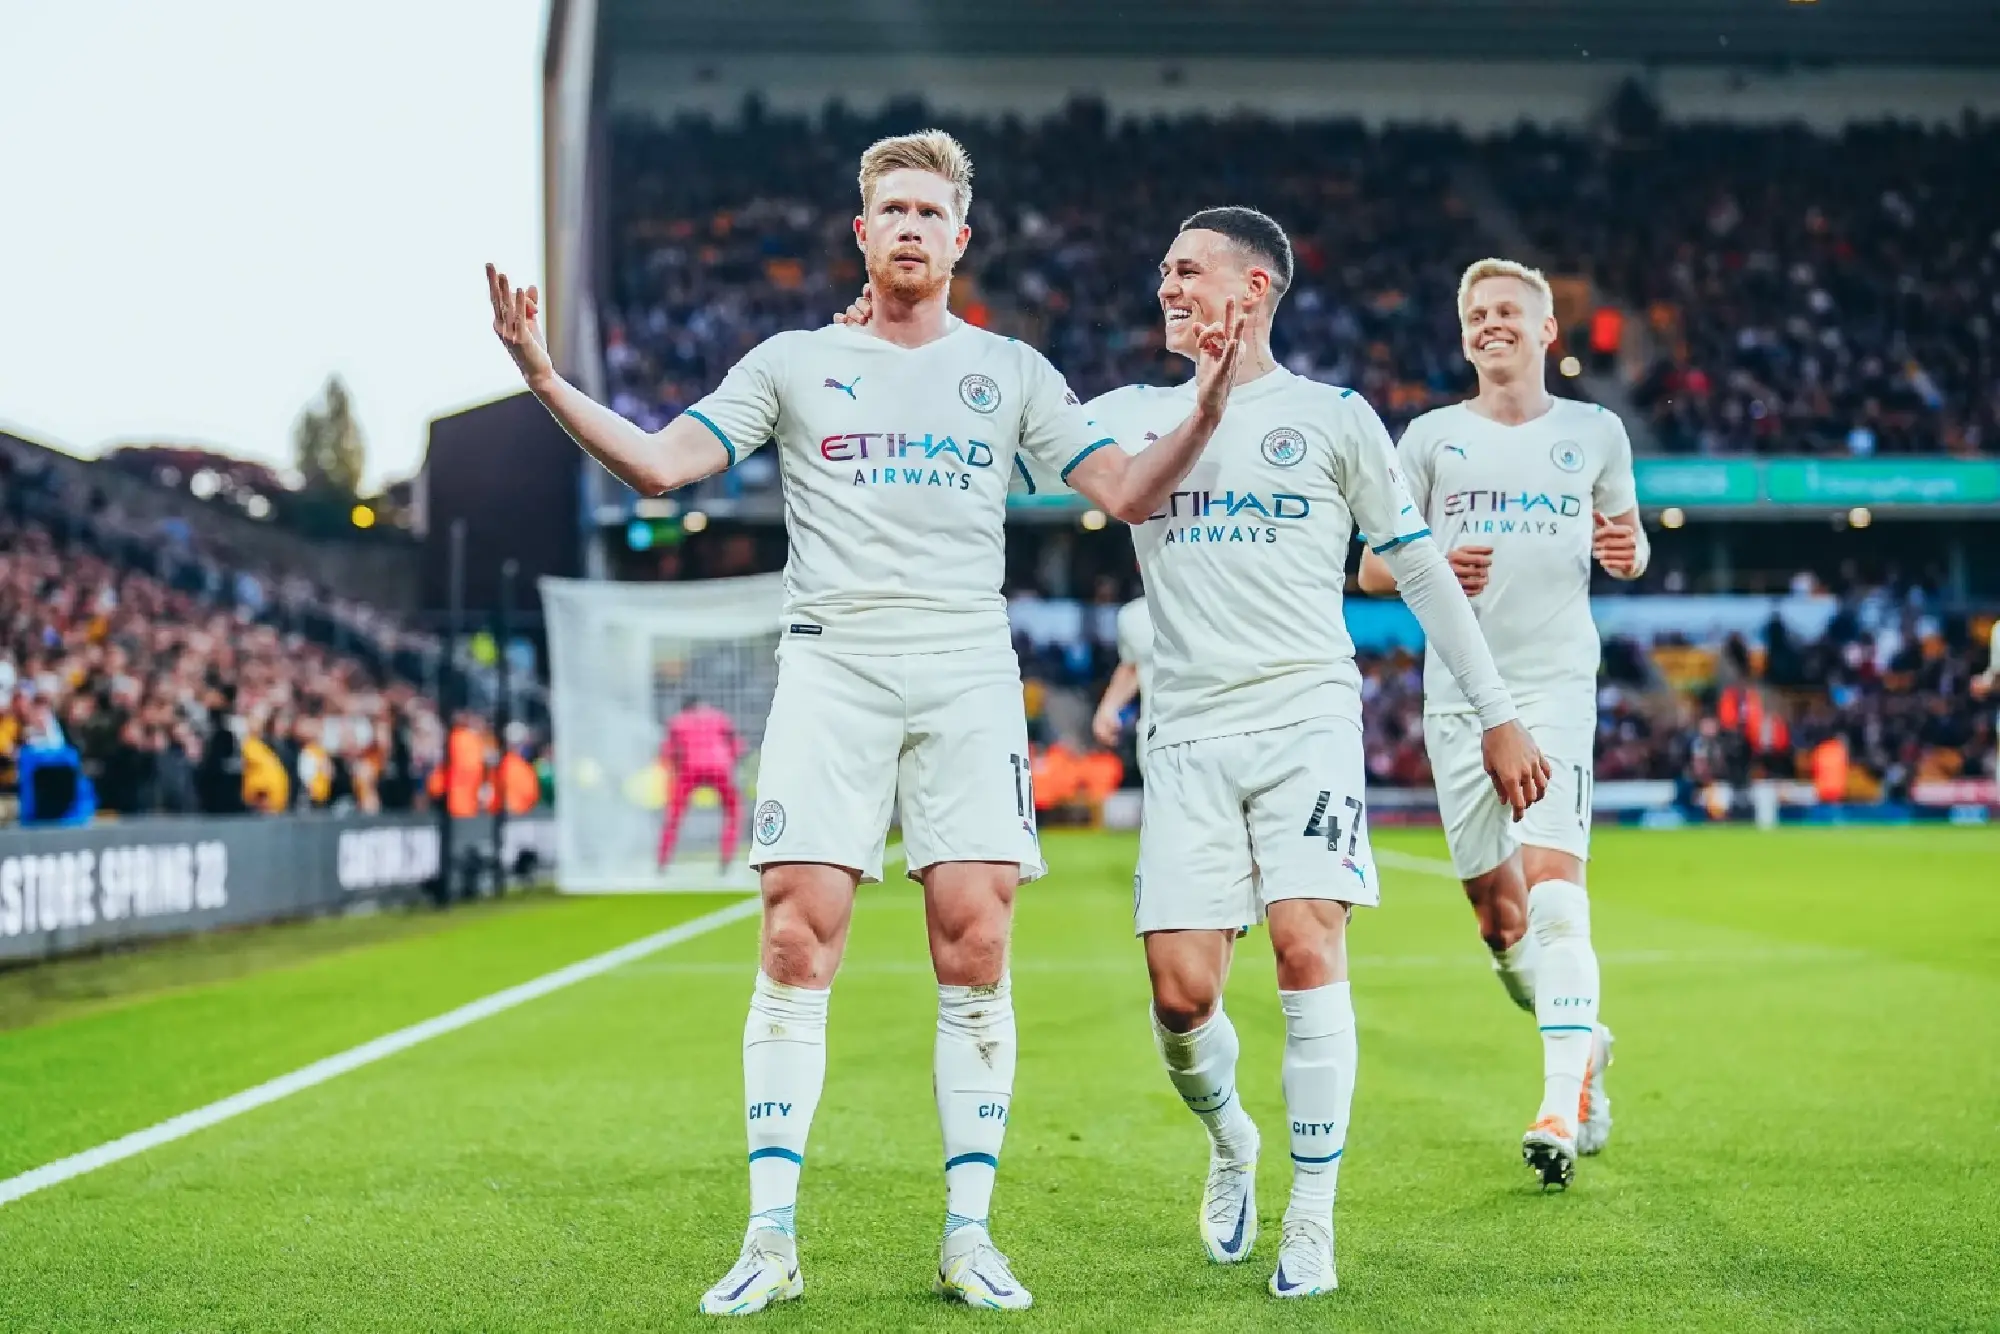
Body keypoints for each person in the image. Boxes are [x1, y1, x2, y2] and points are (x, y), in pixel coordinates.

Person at [486, 129, 1243, 1316]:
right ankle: (770, 1237)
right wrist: (540, 372)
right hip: (831, 667)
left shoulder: (1011, 372)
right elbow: (655, 465)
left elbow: (1126, 492)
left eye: (926, 211)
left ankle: (968, 1234)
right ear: (860, 232)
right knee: (796, 937)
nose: (906, 226)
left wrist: (1203, 405)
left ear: (958, 237)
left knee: (973, 945)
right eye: (887, 207)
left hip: (963, 669)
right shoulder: (790, 361)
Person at [1082, 211, 1548, 1297]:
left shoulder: (1333, 418)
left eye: (1184, 270)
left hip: (1306, 721)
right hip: (1186, 732)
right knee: (1182, 994)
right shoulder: (1128, 414)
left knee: (1304, 944)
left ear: (1251, 287)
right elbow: (1002, 441)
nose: (1164, 286)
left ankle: (1311, 1214)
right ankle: (1232, 1138)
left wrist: (1497, 709)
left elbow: (1420, 569)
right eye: (1161, 271)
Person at [1356, 257, 1644, 1189]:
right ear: (1464, 331)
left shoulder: (1596, 433)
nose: (1491, 324)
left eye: (1508, 311)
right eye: (1476, 312)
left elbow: (1627, 544)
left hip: (1557, 684)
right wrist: (1430, 560)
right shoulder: (1432, 438)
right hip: (1458, 702)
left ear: (1546, 330)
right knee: (1500, 921)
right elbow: (1370, 569)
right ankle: (1586, 1040)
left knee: (1559, 893)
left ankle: (1560, 1102)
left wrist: (1629, 548)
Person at [658, 694, 745, 870]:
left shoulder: (677, 721)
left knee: (673, 816)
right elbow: (736, 746)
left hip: (690, 768)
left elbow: (669, 751)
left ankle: (663, 860)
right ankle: (726, 858)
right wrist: (731, 764)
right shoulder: (719, 717)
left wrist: (676, 772)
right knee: (734, 813)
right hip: (720, 767)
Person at [1091, 595, 1154, 776]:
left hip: (1218, 729)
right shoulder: (1133, 615)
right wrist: (1107, 708)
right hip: (1155, 736)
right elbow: (1133, 666)